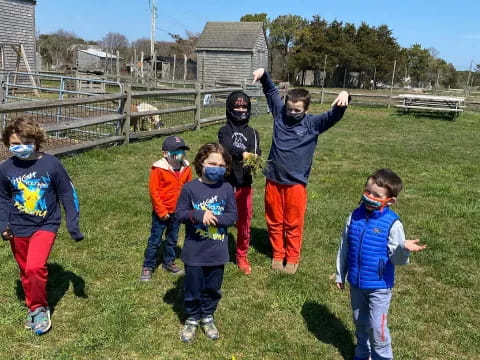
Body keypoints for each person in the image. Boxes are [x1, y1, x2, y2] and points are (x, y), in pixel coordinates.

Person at [251, 67, 350, 274]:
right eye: (290, 109)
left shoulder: (313, 124)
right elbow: (270, 92)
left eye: (297, 110)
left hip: (296, 183)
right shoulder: (280, 114)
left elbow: (335, 114)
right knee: (274, 220)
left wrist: (345, 96)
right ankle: (278, 254)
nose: (292, 113)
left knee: (293, 223)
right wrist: (264, 75)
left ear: (306, 109)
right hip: (273, 179)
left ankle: (293, 257)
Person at [0, 117, 84, 335]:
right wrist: (3, 224)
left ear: (36, 140)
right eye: (14, 144)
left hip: (45, 223)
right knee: (26, 271)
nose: (20, 148)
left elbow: (67, 192)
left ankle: (39, 308)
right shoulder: (5, 169)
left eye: (25, 142)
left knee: (35, 266)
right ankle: (34, 305)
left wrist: (72, 223)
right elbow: (2, 198)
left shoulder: (51, 164)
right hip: (17, 226)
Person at [335, 169, 426, 360]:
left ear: (390, 201)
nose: (370, 197)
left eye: (376, 195)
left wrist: (404, 248)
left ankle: (382, 357)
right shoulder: (354, 217)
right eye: (367, 191)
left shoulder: (392, 224)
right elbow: (345, 247)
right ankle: (362, 353)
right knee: (360, 321)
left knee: (377, 327)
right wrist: (340, 274)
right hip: (356, 284)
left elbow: (398, 260)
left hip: (379, 287)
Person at [175, 143, 237, 343]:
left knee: (213, 288)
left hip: (217, 252)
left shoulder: (227, 188)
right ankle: (192, 317)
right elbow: (180, 214)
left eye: (221, 165)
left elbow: (232, 216)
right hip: (194, 253)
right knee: (193, 288)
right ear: (201, 162)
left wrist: (216, 218)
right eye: (212, 163)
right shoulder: (190, 188)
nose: (216, 168)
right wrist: (199, 215)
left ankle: (208, 316)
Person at [218, 91, 261, 275]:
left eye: (244, 107)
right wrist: (243, 153)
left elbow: (256, 152)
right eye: (237, 106)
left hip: (244, 185)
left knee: (244, 222)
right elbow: (227, 148)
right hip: (225, 183)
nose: (241, 109)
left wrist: (252, 157)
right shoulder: (224, 131)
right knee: (220, 219)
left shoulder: (253, 133)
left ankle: (241, 255)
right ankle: (216, 251)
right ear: (230, 108)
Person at [139, 135, 192, 280]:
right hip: (161, 212)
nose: (180, 154)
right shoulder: (159, 169)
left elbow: (188, 188)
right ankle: (148, 265)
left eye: (182, 150)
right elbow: (154, 192)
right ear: (165, 153)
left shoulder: (186, 167)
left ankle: (168, 262)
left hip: (177, 211)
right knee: (155, 240)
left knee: (172, 239)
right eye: (176, 151)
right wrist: (161, 211)